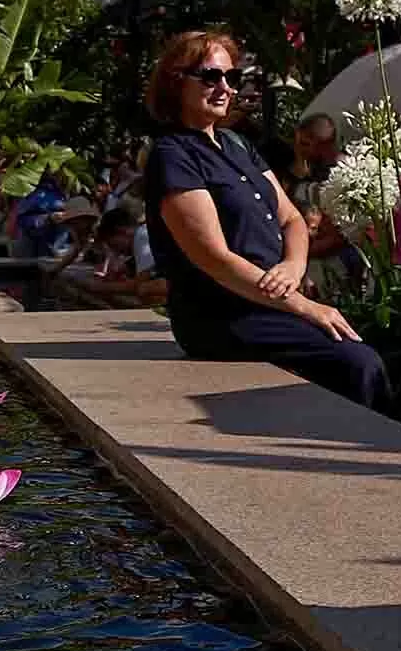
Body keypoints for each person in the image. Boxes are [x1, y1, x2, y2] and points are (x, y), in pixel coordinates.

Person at [142, 28, 387, 409]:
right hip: (225, 314)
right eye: (210, 76)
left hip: (274, 300)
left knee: (372, 346)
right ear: (177, 83)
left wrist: (293, 265)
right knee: (358, 363)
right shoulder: (173, 155)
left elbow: (291, 218)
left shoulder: (237, 145)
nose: (224, 87)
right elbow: (215, 260)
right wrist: (305, 306)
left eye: (232, 77)